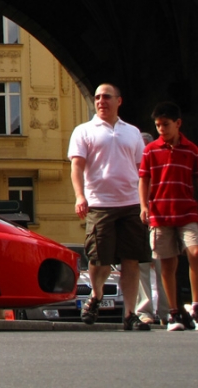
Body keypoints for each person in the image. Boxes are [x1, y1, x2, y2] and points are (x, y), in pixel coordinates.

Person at [69, 83, 151, 330]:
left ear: (119, 101)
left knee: (131, 260)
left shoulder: (132, 132)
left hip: (130, 203)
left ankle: (129, 313)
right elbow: (77, 166)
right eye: (97, 97)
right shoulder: (84, 130)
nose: (101, 101)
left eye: (106, 97)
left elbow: (141, 169)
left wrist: (145, 202)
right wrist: (79, 196)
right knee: (99, 259)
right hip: (100, 203)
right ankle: (96, 295)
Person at [138, 101, 198, 332]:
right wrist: (144, 206)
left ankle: (195, 304)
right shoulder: (151, 149)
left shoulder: (191, 149)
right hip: (161, 213)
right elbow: (144, 179)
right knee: (167, 263)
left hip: (187, 210)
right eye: (158, 125)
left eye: (166, 125)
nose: (161, 129)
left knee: (194, 251)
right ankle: (173, 312)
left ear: (178, 123)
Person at [136, 131, 169, 326]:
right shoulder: (131, 169)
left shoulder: (159, 166)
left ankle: (166, 311)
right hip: (138, 220)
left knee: (163, 265)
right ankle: (144, 312)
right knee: (141, 266)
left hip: (159, 219)